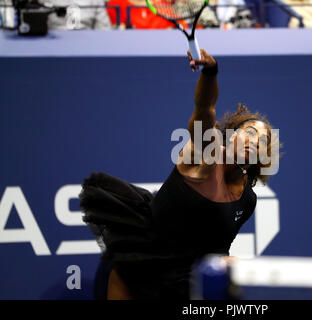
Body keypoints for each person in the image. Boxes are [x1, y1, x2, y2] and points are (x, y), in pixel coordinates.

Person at [79, 49, 279, 300]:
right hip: (143, 257)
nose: (254, 141)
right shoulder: (205, 153)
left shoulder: (247, 200)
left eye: (262, 141)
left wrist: (226, 260)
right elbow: (205, 107)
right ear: (232, 134)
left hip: (185, 273)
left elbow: (218, 245)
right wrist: (209, 73)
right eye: (249, 132)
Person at [45, 0, 111, 30]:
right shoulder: (46, 1)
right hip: (53, 43)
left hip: (87, 42)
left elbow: (104, 29)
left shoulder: (96, 1)